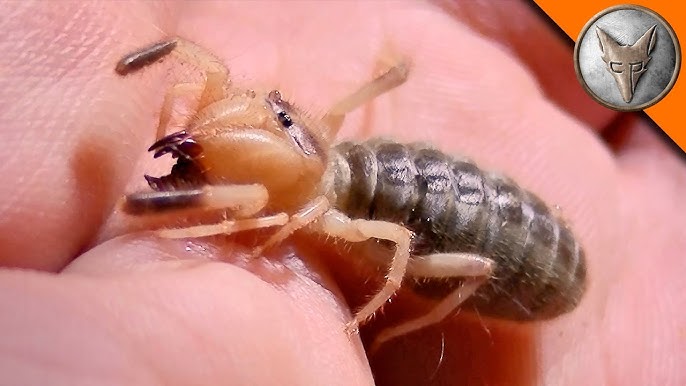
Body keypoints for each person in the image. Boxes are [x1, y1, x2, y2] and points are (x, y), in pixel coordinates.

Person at [0, 2, 683, 385]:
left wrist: (376, 320)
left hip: (504, 243)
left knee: (425, 247)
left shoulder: (303, 199)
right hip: (381, 178)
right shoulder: (292, 148)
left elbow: (391, 242)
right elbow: (223, 89)